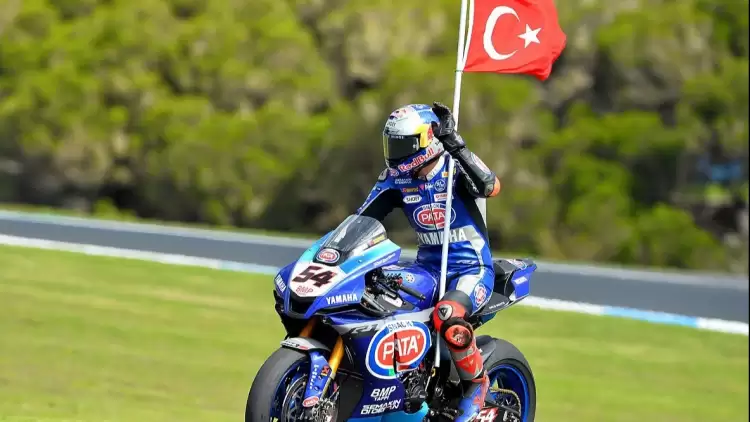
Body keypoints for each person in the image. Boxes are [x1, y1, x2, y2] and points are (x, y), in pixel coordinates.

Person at [356, 102, 501, 421]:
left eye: (403, 145)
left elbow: (490, 186)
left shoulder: (454, 167)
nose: (395, 153)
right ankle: (398, 377)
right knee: (373, 293)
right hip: (427, 268)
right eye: (392, 144)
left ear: (427, 140)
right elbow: (361, 219)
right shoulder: (395, 179)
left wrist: (456, 145)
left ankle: (477, 384)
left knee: (447, 314)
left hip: (471, 270)